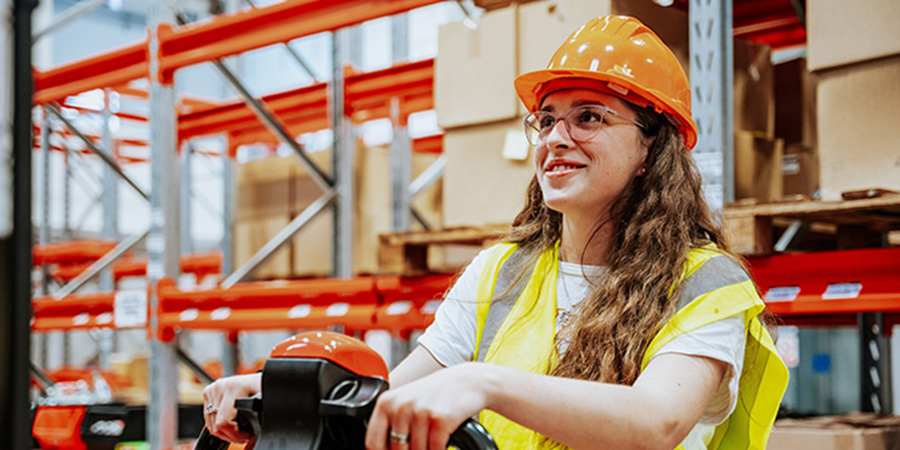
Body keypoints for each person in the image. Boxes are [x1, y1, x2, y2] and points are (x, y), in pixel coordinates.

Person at [203, 15, 788, 450]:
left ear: (650, 148)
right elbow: (391, 396)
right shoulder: (504, 269)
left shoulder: (704, 281)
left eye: (589, 117)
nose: (556, 137)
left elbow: (655, 422)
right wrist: (270, 389)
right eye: (548, 119)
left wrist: (484, 383)